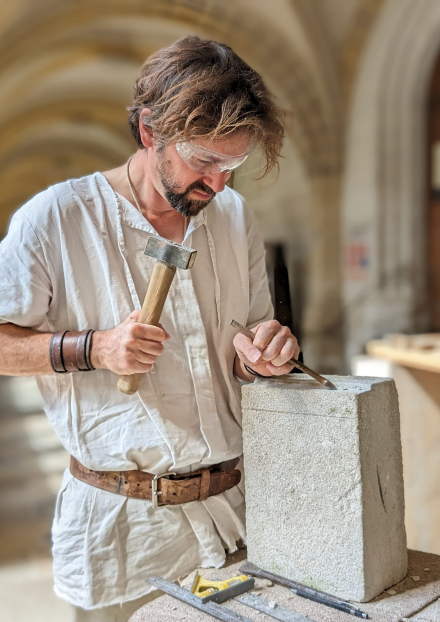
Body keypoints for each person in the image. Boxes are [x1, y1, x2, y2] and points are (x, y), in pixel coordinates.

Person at [0, 36, 299, 620]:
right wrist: (96, 348)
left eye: (231, 166)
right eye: (204, 163)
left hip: (235, 521)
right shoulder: (55, 219)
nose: (217, 186)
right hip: (127, 535)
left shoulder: (233, 216)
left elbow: (252, 334)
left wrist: (265, 353)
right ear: (148, 134)